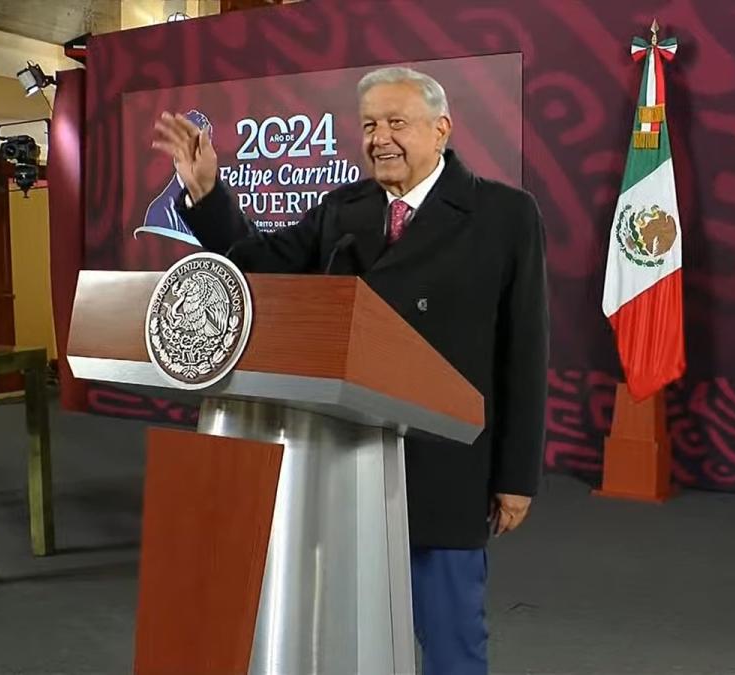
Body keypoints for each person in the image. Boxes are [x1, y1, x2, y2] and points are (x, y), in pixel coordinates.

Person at [152, 66, 548, 675]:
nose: (380, 138)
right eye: (368, 125)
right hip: (343, 457)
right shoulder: (342, 209)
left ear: (441, 129)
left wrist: (516, 475)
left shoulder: (506, 214)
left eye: (397, 122)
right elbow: (262, 266)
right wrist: (207, 196)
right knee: (346, 630)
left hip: (445, 464)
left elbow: (524, 351)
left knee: (451, 640)